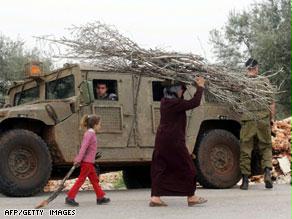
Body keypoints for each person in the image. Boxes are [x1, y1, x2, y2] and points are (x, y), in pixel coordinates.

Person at [150, 76, 207, 207]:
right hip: (174, 140)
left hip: (161, 140)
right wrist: (200, 86)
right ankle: (191, 196)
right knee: (188, 167)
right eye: (182, 89)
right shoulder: (175, 104)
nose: (183, 92)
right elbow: (195, 102)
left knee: (160, 167)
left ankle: (155, 197)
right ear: (175, 90)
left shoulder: (165, 101)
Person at [239, 58, 275, 190]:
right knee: (266, 147)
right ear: (257, 68)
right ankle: (267, 173)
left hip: (248, 119)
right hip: (263, 119)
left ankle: (245, 181)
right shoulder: (264, 81)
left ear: (246, 68)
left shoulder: (241, 82)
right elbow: (271, 102)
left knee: (245, 148)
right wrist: (271, 119)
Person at [65, 114, 110, 206]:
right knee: (81, 180)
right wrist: (78, 159)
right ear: (95, 125)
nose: (100, 126)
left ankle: (100, 197)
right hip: (87, 163)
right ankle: (70, 197)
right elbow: (83, 148)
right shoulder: (90, 134)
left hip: (89, 162)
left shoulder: (90, 133)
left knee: (94, 180)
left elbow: (89, 149)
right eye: (99, 124)